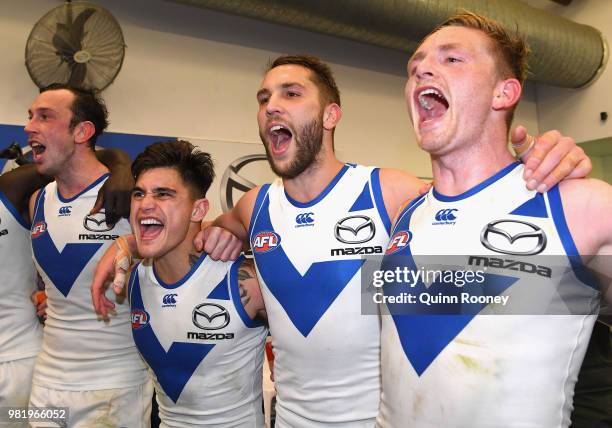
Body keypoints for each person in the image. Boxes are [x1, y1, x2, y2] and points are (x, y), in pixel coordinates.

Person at [93, 55, 591, 426]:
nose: (270, 108)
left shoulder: (387, 191)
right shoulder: (255, 206)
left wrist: (554, 158)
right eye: (264, 98)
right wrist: (126, 246)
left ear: (331, 115)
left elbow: (478, 203)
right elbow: (183, 230)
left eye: (290, 94)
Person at [377, 12, 612, 427]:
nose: (421, 70)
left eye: (452, 59)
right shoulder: (404, 215)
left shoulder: (577, 204)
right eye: (415, 66)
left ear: (503, 93)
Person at [25, 83, 151, 427]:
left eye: (45, 117)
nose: (29, 126)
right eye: (30, 116)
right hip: (46, 383)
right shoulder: (37, 201)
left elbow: (188, 239)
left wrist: (131, 243)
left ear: (82, 131)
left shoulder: (131, 197)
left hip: (113, 386)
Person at [127, 140, 268, 426]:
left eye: (163, 194)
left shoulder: (246, 281)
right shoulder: (131, 280)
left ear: (198, 210)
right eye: (139, 194)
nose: (145, 204)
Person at [0, 149, 132, 427]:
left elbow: (75, 155)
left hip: (19, 366)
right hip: (44, 373)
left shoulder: (11, 187)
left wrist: (121, 166)